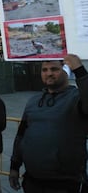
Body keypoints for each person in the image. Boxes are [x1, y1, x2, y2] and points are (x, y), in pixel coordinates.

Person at [9, 54, 88, 192]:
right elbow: (21, 136)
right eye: (44, 70)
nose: (49, 73)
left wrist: (79, 70)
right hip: (33, 181)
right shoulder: (33, 101)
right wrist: (14, 167)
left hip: (65, 184)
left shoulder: (76, 98)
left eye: (54, 69)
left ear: (65, 71)